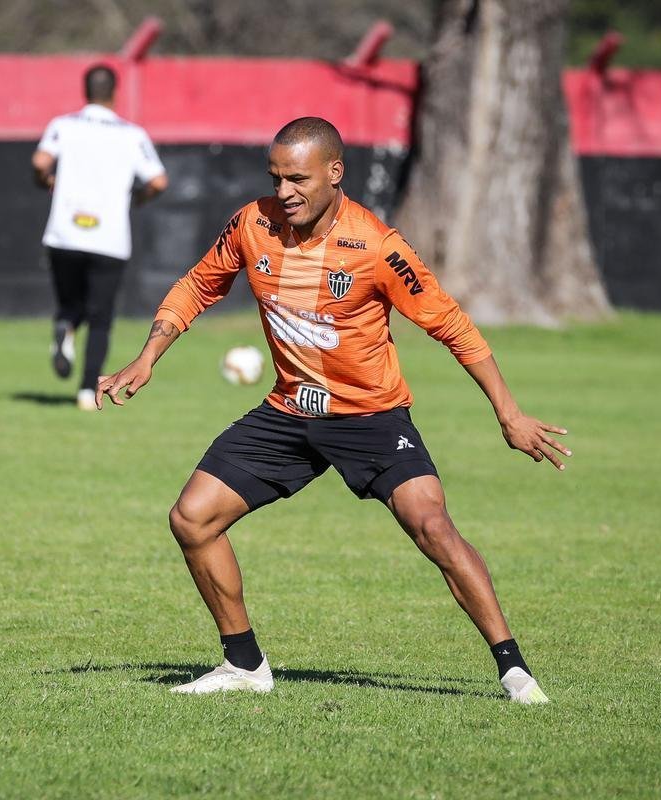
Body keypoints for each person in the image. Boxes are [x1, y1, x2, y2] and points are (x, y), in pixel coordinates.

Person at [97, 117, 569, 704]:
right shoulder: (253, 223)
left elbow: (451, 325)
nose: (285, 191)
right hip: (290, 413)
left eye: (298, 178)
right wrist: (147, 359)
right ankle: (244, 666)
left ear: (334, 173)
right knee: (191, 518)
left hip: (371, 417)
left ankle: (514, 669)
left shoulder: (375, 245)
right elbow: (198, 284)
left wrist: (509, 412)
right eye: (276, 178)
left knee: (432, 526)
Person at [32, 64, 168, 410]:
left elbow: (40, 161)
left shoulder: (63, 125)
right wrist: (137, 199)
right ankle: (85, 392)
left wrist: (46, 181)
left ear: (85, 91)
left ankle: (64, 326)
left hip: (64, 233)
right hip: (109, 238)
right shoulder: (131, 134)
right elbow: (158, 181)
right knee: (101, 317)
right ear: (115, 93)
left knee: (70, 304)